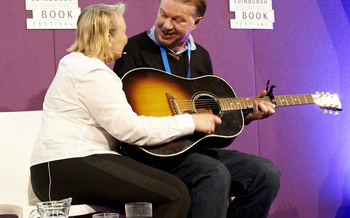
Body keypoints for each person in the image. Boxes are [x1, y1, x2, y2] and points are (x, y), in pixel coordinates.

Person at [30, 3, 222, 218]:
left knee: (167, 191)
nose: (126, 38)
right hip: (68, 166)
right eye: (122, 32)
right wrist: (191, 122)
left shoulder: (77, 65)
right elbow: (130, 129)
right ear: (109, 38)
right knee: (175, 194)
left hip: (61, 168)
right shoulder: (92, 72)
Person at [113, 0, 281, 217]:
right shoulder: (133, 48)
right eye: (163, 15)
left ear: (196, 22)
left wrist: (246, 115)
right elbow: (124, 110)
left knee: (266, 173)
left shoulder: (201, 56)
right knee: (213, 173)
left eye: (178, 20)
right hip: (152, 153)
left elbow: (208, 116)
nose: (166, 25)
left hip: (191, 149)